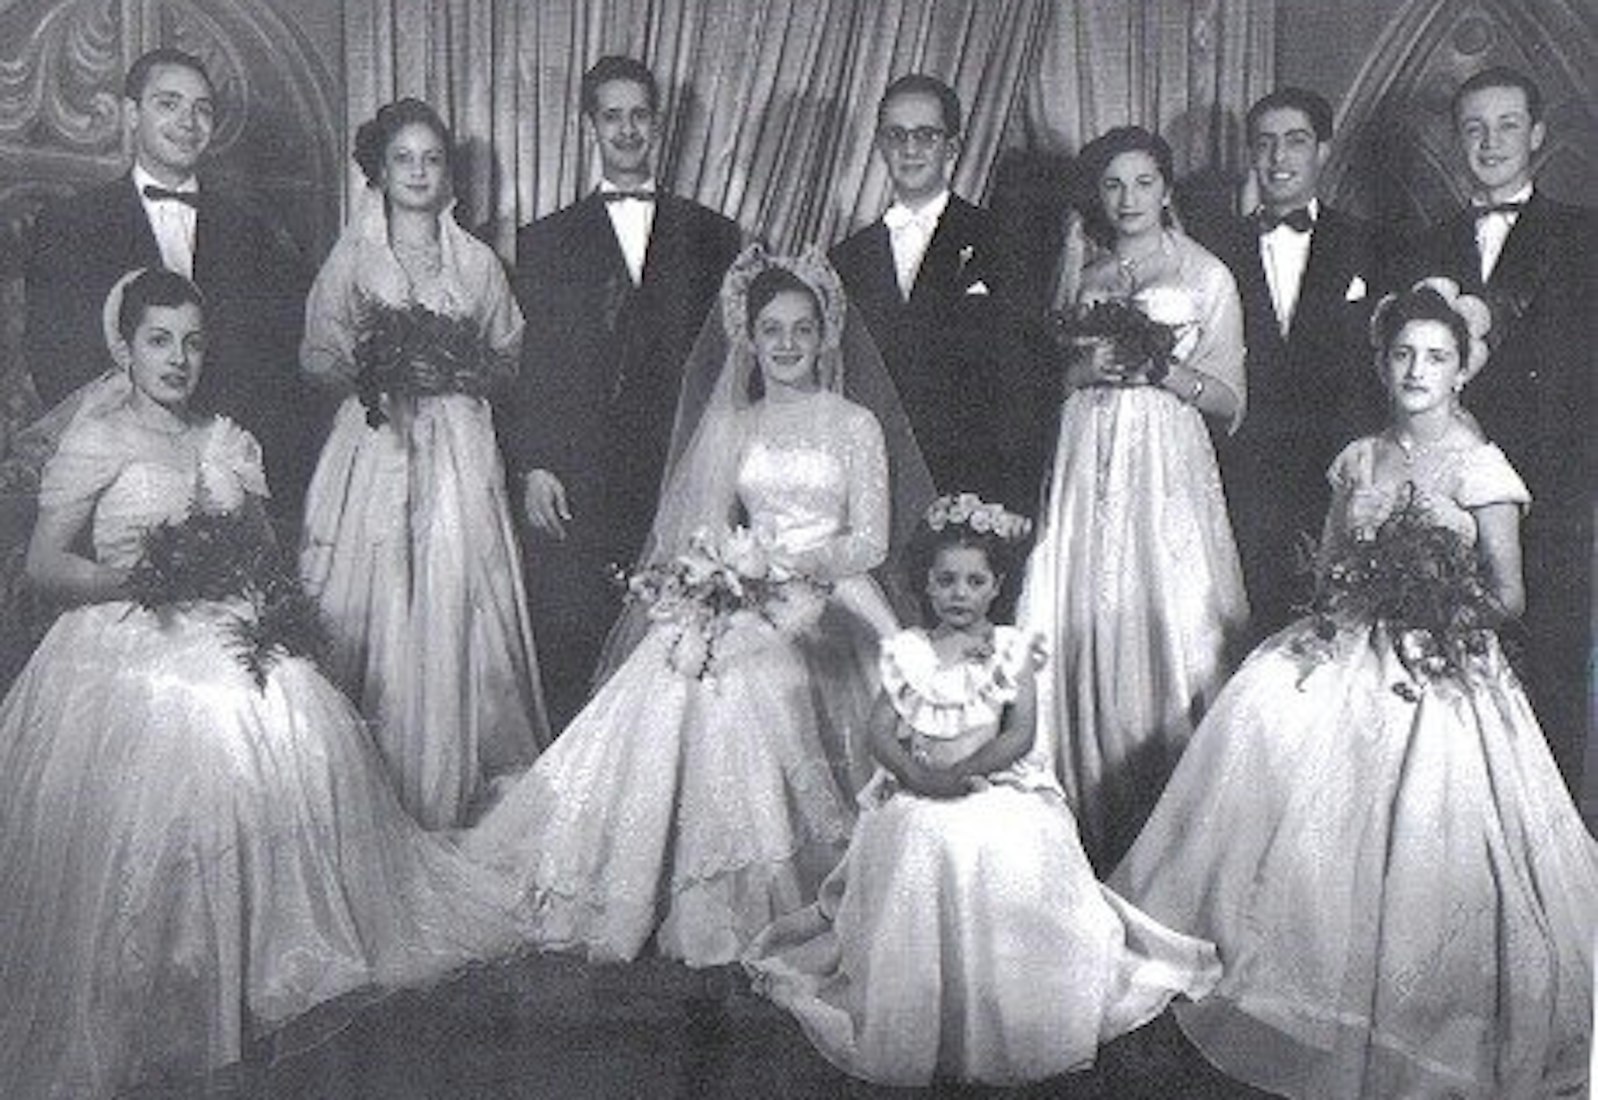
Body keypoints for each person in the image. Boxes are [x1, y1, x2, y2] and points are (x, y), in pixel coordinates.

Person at [0, 270, 533, 1099]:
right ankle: (183, 976)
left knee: (289, 705)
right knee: (204, 722)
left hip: (222, 624)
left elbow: (255, 555)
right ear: (124, 347)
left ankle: (272, 958)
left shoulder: (225, 441)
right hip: (119, 633)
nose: (179, 359)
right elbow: (43, 569)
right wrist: (143, 582)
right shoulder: (98, 440)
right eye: (159, 340)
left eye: (192, 342)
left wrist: (249, 594)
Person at [1113, 278, 1598, 1099]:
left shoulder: (1481, 466)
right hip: (1355, 638)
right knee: (1264, 710)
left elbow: (1508, 597)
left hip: (1444, 655)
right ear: (1383, 363)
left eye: (1435, 358)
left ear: (1462, 372)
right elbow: (1334, 568)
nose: (1417, 370)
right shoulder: (1362, 458)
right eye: (1404, 354)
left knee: (1425, 811)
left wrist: (1430, 601)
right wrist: (1361, 597)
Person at [462, 247, 935, 968]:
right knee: (680, 671)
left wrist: (790, 568)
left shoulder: (853, 425)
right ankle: (655, 877)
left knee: (754, 683)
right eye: (771, 329)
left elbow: (867, 540)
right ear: (748, 336)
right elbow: (704, 530)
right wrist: (715, 583)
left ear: (824, 336)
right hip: (742, 588)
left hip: (833, 596)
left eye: (802, 329)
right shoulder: (732, 426)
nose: (786, 345)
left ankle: (769, 882)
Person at [743, 495, 1219, 1087]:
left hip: (995, 781)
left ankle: (1009, 995)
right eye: (946, 581)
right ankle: (924, 996)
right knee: (917, 834)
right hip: (919, 784)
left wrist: (970, 771)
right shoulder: (910, 650)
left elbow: (1019, 733)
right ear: (927, 584)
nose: (959, 593)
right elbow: (880, 732)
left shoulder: (1013, 651)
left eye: (974, 580)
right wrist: (919, 776)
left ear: (996, 587)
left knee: (1000, 839)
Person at [298, 99, 548, 830]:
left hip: (460, 449)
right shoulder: (352, 258)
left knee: (459, 585)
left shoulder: (475, 263)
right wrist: (372, 370)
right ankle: (367, 790)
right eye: (403, 158)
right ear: (380, 169)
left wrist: (459, 370)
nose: (417, 172)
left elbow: (508, 355)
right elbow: (316, 354)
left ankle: (461, 780)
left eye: (431, 159)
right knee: (369, 594)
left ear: (447, 176)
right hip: (377, 445)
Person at [1017, 126, 1250, 870]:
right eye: (1114, 185)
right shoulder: (1086, 268)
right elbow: (1062, 380)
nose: (1128, 199)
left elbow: (1228, 399)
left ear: (1167, 187)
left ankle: (1173, 834)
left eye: (1143, 182)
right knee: (1086, 599)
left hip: (1165, 456)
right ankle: (1085, 807)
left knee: (1167, 606)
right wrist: (1091, 371)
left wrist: (1159, 372)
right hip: (1090, 449)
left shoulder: (1205, 273)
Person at [501, 55, 745, 727]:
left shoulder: (714, 235)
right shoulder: (545, 241)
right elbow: (535, 365)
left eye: (640, 115)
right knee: (577, 630)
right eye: (613, 116)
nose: (628, 129)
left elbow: (730, 362)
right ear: (591, 127)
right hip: (579, 471)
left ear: (657, 125)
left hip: (677, 465)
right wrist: (536, 465)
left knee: (676, 629)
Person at [24, 47, 316, 526]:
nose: (189, 121)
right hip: (119, 477)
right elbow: (54, 356)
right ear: (132, 114)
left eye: (202, 109)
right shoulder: (72, 223)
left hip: (228, 465)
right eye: (169, 104)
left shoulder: (253, 232)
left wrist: (221, 449)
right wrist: (133, 443)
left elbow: (275, 362)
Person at [1406, 65, 1595, 800]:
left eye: (1507, 125)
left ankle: (1550, 851)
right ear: (1458, 140)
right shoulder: (1423, 243)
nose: (1490, 142)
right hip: (1452, 485)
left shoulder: (1587, 236)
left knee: (1547, 663)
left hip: (1554, 486)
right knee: (1451, 668)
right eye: (1474, 128)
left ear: (1537, 135)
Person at [1199, 87, 1388, 640]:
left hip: (1337, 468)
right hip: (1242, 467)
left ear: (1323, 151)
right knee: (1244, 622)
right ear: (1252, 156)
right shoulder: (1214, 248)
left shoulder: (1371, 244)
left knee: (1334, 627)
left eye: (1296, 142)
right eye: (1266, 144)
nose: (1279, 158)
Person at [830, 74, 1043, 511]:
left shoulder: (1000, 241)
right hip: (873, 483)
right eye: (897, 135)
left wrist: (1013, 500)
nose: (910, 149)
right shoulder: (845, 258)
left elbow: (1024, 379)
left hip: (970, 484)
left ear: (952, 147)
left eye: (925, 135)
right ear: (880, 144)